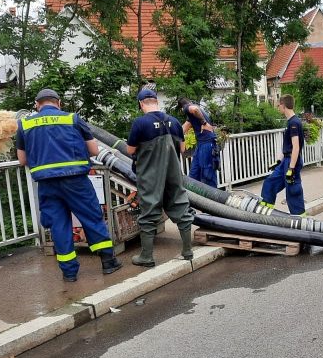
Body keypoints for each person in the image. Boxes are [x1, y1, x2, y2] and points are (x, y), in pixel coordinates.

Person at [16, 88, 122, 282]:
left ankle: (69, 273)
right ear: (58, 103)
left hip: (47, 183)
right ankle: (108, 262)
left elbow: (22, 160)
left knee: (58, 224)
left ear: (37, 105)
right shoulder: (72, 118)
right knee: (91, 217)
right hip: (76, 180)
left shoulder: (24, 124)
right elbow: (93, 149)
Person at [126, 88, 195, 267]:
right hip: (173, 173)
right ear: (156, 101)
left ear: (141, 104)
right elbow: (182, 149)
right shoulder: (173, 121)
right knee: (181, 207)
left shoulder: (140, 123)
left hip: (150, 175)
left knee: (149, 212)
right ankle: (187, 251)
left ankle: (147, 257)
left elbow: (130, 150)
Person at [260, 94, 306, 215]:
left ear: (283, 105)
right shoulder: (290, 122)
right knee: (270, 183)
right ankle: (265, 213)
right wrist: (278, 161)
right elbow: (287, 147)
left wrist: (291, 168)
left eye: (278, 105)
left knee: (292, 191)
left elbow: (296, 147)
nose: (277, 107)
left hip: (292, 162)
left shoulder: (294, 123)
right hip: (285, 161)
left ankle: (300, 221)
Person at [178, 97, 219, 188]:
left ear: (181, 108)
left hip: (207, 144)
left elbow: (194, 109)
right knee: (194, 174)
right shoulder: (192, 117)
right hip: (200, 145)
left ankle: (213, 199)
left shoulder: (188, 107)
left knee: (207, 175)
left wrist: (204, 123)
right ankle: (194, 200)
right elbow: (182, 129)